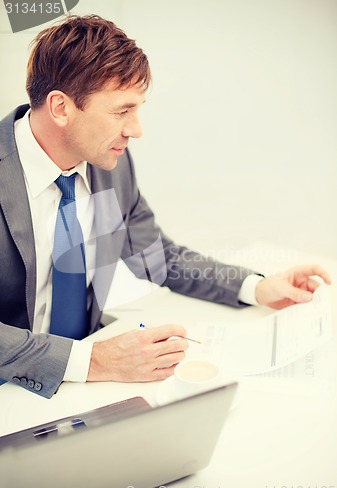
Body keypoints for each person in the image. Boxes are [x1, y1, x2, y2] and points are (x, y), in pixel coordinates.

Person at [0, 15, 331, 399]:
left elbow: (156, 255)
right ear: (60, 107)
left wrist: (256, 288)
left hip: (83, 384)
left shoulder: (108, 161)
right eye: (121, 111)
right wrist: (93, 361)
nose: (135, 129)